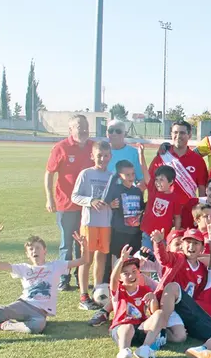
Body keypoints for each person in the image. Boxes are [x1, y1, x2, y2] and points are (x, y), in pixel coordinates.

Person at [0, 225, 88, 340]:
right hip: (23, 305)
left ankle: (5, 325)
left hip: (40, 313)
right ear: (27, 254)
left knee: (37, 327)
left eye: (38, 248)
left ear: (45, 251)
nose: (34, 251)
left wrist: (84, 246)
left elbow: (83, 260)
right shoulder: (24, 268)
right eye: (31, 249)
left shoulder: (56, 265)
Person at [152, 227, 211, 358]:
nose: (191, 246)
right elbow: (163, 258)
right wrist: (159, 243)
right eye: (188, 242)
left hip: (188, 310)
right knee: (174, 288)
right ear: (182, 245)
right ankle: (159, 331)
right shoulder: (177, 258)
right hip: (170, 306)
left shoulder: (202, 270)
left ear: (202, 248)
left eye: (196, 243)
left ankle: (200, 349)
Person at [45, 114, 93, 291]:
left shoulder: (92, 147)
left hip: (87, 206)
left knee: (83, 243)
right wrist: (49, 198)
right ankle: (63, 279)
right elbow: (49, 173)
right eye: (79, 126)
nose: (83, 129)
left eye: (85, 126)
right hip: (66, 204)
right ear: (70, 129)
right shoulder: (61, 148)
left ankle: (80, 277)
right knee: (66, 244)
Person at [71, 141, 115, 310]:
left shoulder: (112, 176)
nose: (102, 159)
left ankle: (98, 290)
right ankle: (83, 295)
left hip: (105, 223)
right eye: (99, 156)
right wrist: (91, 201)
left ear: (110, 156)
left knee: (101, 257)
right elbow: (75, 196)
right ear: (92, 156)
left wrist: (114, 203)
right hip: (89, 223)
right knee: (86, 258)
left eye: (105, 156)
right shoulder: (86, 174)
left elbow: (112, 199)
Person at [107, 247, 164, 358]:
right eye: (126, 274)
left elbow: (154, 314)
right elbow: (113, 279)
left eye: (134, 271)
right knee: (128, 327)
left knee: (160, 314)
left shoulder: (145, 290)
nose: (131, 275)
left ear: (139, 272)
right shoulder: (118, 290)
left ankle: (145, 348)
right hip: (121, 329)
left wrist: (152, 299)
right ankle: (123, 352)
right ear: (120, 278)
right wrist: (122, 260)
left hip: (140, 328)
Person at [101, 159, 147, 284]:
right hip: (120, 231)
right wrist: (114, 176)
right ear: (119, 175)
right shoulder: (116, 189)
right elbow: (105, 198)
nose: (131, 177)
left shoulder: (137, 191)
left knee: (134, 259)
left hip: (135, 232)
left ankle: (133, 281)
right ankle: (110, 283)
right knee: (116, 258)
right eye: (127, 175)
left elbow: (141, 207)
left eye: (132, 174)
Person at [149, 121, 209, 203]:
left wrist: (202, 209)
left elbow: (202, 189)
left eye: (182, 133)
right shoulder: (161, 157)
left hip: (187, 210)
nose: (178, 136)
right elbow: (150, 183)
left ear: (190, 135)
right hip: (164, 210)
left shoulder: (198, 160)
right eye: (175, 132)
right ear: (171, 134)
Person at [141, 165, 182, 248]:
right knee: (146, 258)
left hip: (162, 236)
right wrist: (140, 154)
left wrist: (176, 234)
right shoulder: (153, 190)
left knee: (160, 259)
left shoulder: (175, 198)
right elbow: (145, 171)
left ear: (171, 182)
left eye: (161, 180)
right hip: (148, 234)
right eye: (156, 179)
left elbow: (177, 217)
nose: (157, 183)